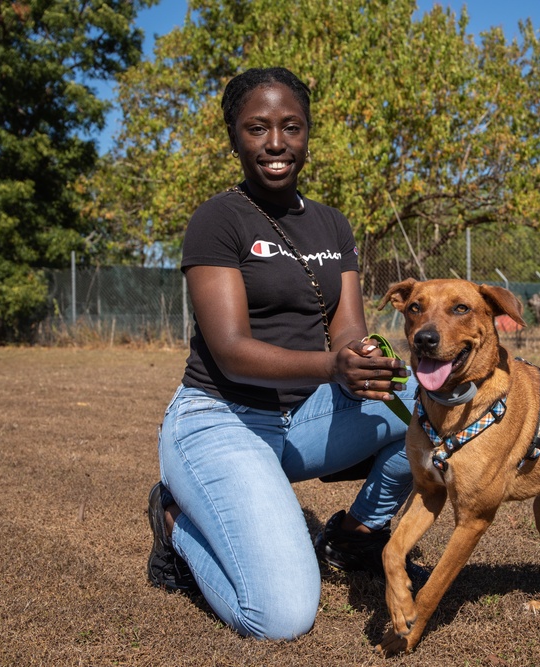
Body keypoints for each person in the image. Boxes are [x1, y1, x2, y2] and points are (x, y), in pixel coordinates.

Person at [145, 66, 420, 641]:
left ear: (307, 132)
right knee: (281, 617)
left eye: (290, 127)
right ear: (235, 138)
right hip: (223, 419)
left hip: (302, 420)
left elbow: (346, 331)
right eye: (257, 129)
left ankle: (358, 537)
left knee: (426, 396)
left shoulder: (332, 224)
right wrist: (332, 367)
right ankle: (174, 523)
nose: (275, 144)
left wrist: (365, 358)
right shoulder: (218, 220)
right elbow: (232, 351)